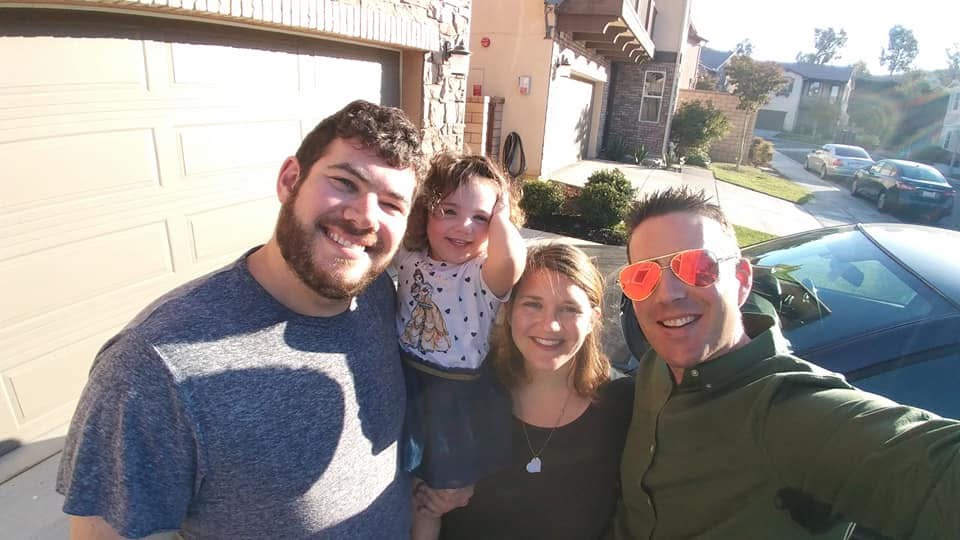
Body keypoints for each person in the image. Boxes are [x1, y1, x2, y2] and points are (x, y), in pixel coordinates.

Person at [55, 100, 426, 539]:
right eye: (345, 182)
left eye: (391, 204)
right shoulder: (152, 367)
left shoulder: (378, 298)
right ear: (290, 180)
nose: (365, 216)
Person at [613, 186, 960, 539]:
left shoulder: (791, 410)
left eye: (697, 267)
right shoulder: (656, 365)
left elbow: (936, 470)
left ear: (743, 281)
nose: (668, 293)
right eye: (643, 277)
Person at [418, 242, 635, 540]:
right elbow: (424, 504)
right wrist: (436, 499)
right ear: (508, 311)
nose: (550, 325)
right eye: (533, 304)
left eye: (569, 308)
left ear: (593, 320)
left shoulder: (624, 403)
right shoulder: (466, 393)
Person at [394, 153, 527, 539]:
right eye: (448, 210)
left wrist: (500, 215)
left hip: (453, 401)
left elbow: (512, 263)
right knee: (398, 482)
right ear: (426, 211)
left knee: (430, 497)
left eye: (480, 218)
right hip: (405, 380)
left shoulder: (481, 274)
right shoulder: (410, 256)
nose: (463, 226)